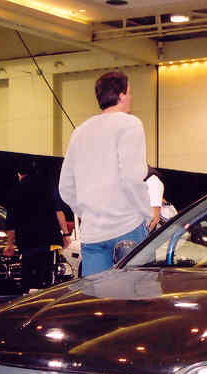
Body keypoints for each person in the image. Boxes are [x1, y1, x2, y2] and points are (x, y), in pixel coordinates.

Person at [58, 70, 152, 276]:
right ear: (121, 95)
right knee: (136, 295)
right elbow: (132, 177)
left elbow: (65, 187)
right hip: (128, 228)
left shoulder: (79, 132)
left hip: (92, 235)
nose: (131, 97)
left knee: (97, 295)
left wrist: (88, 213)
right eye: (129, 92)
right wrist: (147, 213)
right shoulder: (130, 124)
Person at [2, 159, 66, 291]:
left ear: (19, 174)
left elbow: (11, 223)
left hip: (27, 244)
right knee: (46, 280)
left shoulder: (15, 191)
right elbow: (58, 212)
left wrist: (9, 245)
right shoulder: (48, 187)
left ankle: (29, 295)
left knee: (29, 280)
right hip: (48, 242)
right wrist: (66, 234)